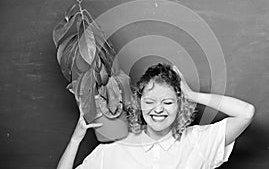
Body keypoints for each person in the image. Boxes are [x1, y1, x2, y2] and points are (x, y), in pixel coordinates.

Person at [57, 63, 255, 169]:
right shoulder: (117, 148)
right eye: (150, 102)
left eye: (167, 102)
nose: (157, 110)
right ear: (139, 103)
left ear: (180, 105)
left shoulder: (197, 142)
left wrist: (192, 95)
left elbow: (246, 113)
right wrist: (76, 139)